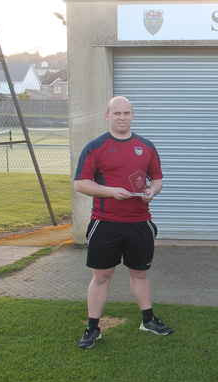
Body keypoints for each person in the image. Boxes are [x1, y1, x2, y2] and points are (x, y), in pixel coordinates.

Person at [73, 96, 173, 349]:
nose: (122, 117)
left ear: (132, 116)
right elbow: (81, 183)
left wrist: (153, 191)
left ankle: (148, 320)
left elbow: (158, 179)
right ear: (107, 115)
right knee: (102, 276)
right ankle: (93, 327)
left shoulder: (146, 146)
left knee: (140, 273)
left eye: (126, 113)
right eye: (117, 113)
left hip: (140, 223)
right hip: (105, 223)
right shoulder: (95, 147)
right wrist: (111, 191)